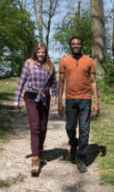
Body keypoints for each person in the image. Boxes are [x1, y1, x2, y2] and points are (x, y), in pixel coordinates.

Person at [13, 42, 57, 177]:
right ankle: (34, 161)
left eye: (43, 52)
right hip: (31, 97)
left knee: (43, 128)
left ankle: (40, 151)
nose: (41, 54)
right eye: (39, 52)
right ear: (35, 52)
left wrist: (54, 95)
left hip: (44, 98)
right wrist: (16, 99)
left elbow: (54, 82)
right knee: (35, 127)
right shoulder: (29, 63)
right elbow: (21, 81)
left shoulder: (50, 65)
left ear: (46, 53)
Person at [57, 36, 99, 174]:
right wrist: (60, 102)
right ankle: (73, 143)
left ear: (81, 45)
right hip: (70, 100)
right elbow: (61, 82)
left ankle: (81, 158)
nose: (76, 46)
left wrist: (96, 103)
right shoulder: (64, 61)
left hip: (85, 99)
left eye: (78, 44)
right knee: (70, 127)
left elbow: (93, 82)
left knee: (84, 130)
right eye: (73, 44)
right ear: (70, 46)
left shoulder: (89, 61)